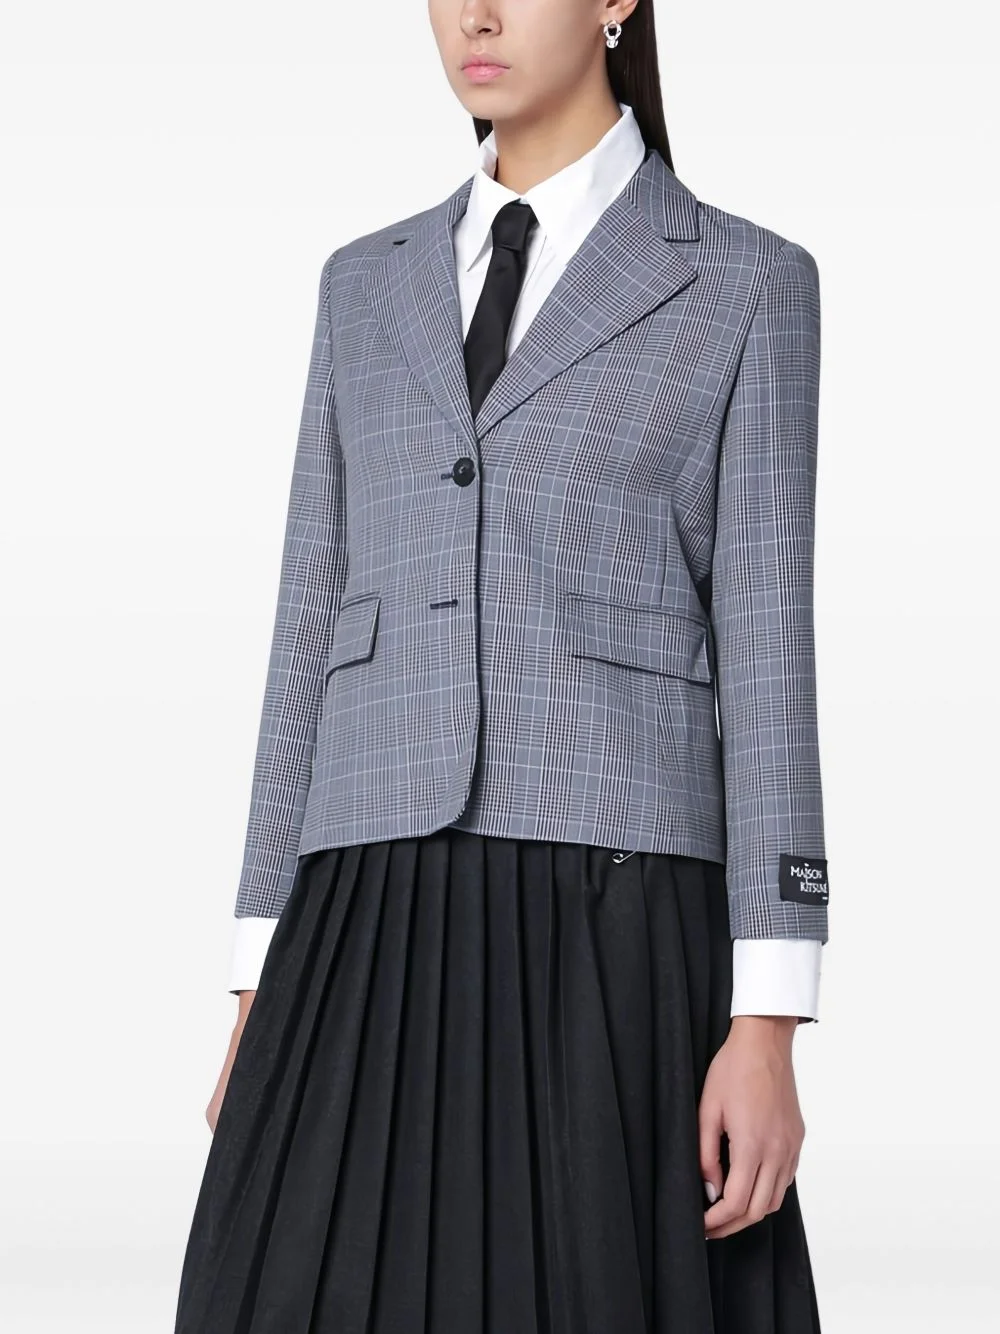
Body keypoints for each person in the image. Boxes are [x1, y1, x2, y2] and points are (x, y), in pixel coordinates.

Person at [172, 1, 829, 1329]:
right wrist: (258, 959)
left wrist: (769, 1015)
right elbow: (310, 620)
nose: (475, 13)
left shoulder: (744, 281)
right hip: (364, 898)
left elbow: (770, 650)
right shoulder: (363, 285)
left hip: (611, 904)